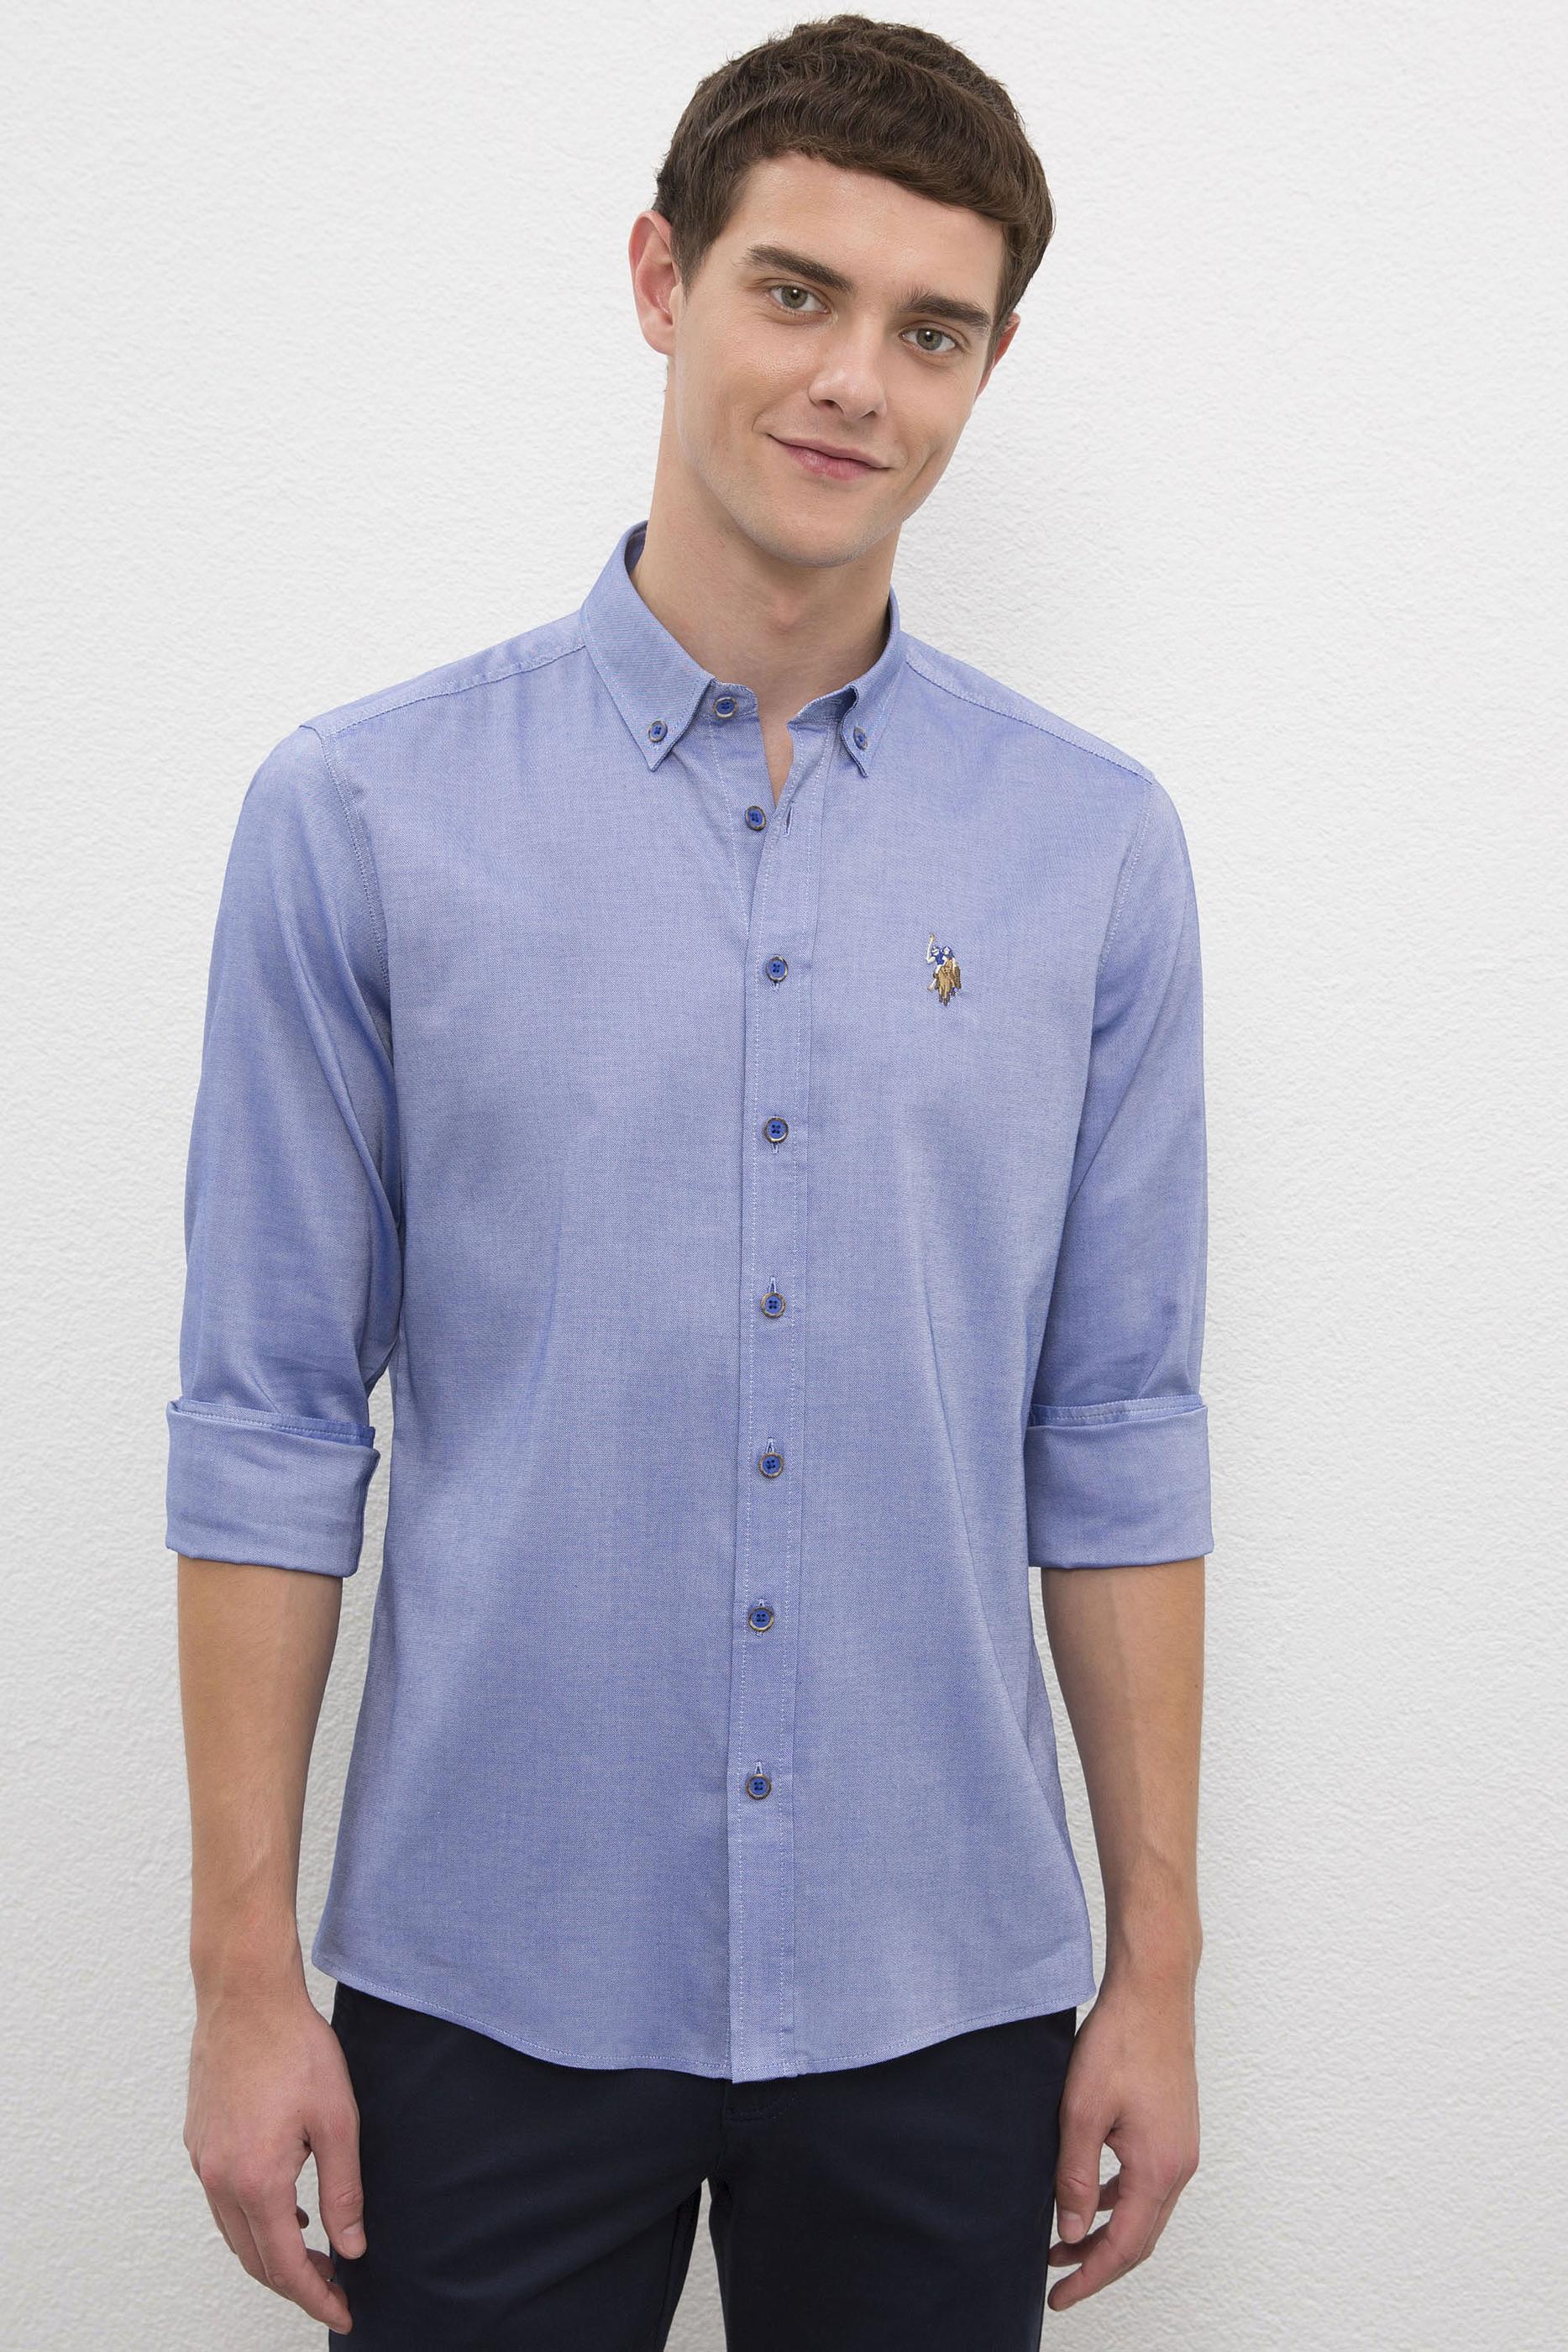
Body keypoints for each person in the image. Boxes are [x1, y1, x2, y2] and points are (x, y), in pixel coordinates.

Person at [170, 15, 1213, 2347]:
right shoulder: (365, 816)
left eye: (930, 330)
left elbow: (1118, 1427)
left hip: (945, 1984)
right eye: (795, 292)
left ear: (987, 368)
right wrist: (244, 1974)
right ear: (663, 278)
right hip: (488, 1976)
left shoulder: (1091, 852)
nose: (855, 381)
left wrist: (1154, 1963)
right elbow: (265, 1420)